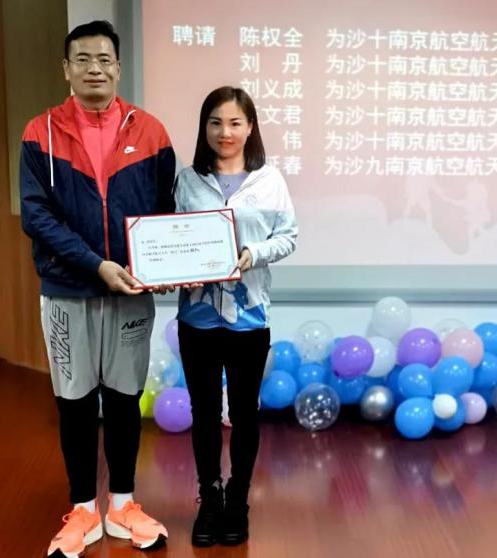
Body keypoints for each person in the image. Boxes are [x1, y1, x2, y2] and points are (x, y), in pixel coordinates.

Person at [20, 20, 175, 557]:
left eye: (104, 59)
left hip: (130, 292)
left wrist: (167, 263)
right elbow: (36, 215)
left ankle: (123, 505)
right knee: (75, 402)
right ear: (66, 68)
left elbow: (165, 214)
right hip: (67, 291)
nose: (94, 69)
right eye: (82, 59)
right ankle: (84, 509)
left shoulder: (151, 131)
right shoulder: (39, 132)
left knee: (125, 398)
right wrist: (95, 264)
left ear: (118, 67)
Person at [174, 86, 298, 546]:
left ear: (250, 128)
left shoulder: (270, 180)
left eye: (234, 123)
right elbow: (171, 236)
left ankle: (237, 502)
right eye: (215, 123)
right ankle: (209, 500)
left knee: (245, 413)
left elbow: (288, 236)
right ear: (204, 128)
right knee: (204, 413)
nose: (224, 132)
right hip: (197, 318)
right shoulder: (188, 180)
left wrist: (254, 253)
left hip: (249, 318)